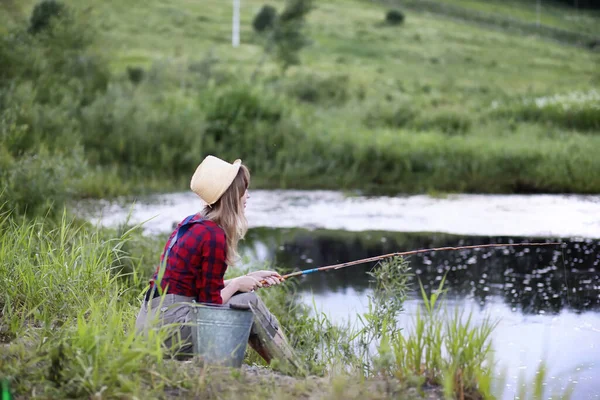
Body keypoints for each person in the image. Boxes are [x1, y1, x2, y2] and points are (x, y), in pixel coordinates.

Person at [135, 155, 293, 364]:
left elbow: (198, 289)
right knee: (250, 303)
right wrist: (237, 283)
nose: (248, 196)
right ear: (232, 195)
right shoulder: (213, 235)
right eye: (244, 190)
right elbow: (210, 303)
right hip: (168, 329)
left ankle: (293, 369)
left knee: (245, 298)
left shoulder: (193, 222)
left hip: (153, 324)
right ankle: (296, 372)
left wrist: (247, 279)